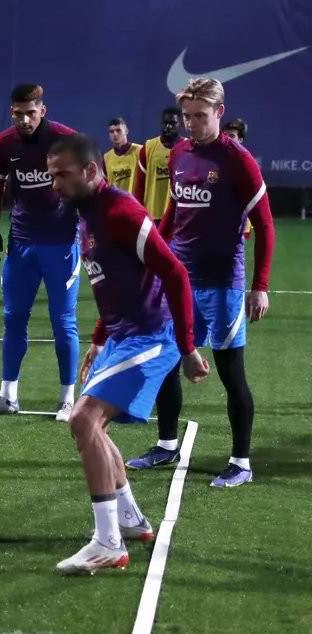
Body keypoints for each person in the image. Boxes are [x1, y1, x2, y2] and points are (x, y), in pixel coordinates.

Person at [44, 133, 209, 575]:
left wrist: (188, 347)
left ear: (91, 172)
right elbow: (111, 282)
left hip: (152, 336)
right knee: (91, 426)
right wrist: (99, 336)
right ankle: (131, 520)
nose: (54, 184)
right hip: (122, 335)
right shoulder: (87, 212)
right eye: (50, 174)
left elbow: (173, 273)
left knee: (83, 419)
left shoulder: (120, 211)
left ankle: (107, 542)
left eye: (62, 175)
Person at [124, 78, 274, 488]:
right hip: (181, 282)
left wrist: (259, 285)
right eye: (186, 115)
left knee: (231, 374)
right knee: (167, 364)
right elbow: (174, 213)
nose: (190, 124)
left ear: (219, 113)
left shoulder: (238, 161)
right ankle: (167, 444)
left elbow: (264, 225)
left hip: (223, 285)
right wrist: (153, 256)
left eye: (199, 116)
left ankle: (241, 461)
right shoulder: (180, 155)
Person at [0, 84, 80, 422]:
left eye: (31, 113)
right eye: (18, 114)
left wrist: (90, 236)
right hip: (21, 244)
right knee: (13, 319)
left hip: (62, 244)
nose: (24, 120)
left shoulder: (67, 141)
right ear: (11, 112)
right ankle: (8, 396)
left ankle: (67, 400)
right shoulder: (3, 144)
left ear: (43, 110)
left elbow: (92, 187)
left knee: (63, 323)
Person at [133, 107, 183, 223]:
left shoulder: (189, 148)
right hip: (152, 217)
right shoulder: (148, 147)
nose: (168, 127)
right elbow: (139, 186)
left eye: (173, 123)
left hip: (179, 218)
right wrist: (137, 214)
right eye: (165, 123)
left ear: (181, 124)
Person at [221, 118, 254, 239]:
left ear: (240, 140)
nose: (227, 139)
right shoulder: (213, 160)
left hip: (237, 223)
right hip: (214, 222)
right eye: (225, 135)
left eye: (232, 136)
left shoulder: (246, 164)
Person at [102, 117, 142, 194]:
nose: (115, 134)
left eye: (118, 130)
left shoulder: (140, 151)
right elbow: (105, 187)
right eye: (111, 131)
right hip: (117, 204)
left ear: (126, 131)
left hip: (137, 204)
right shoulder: (106, 158)